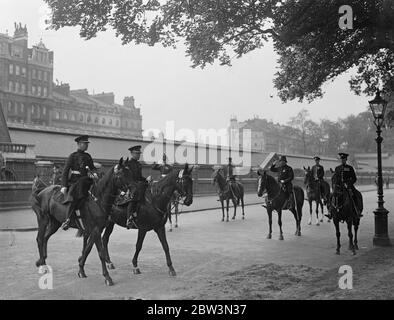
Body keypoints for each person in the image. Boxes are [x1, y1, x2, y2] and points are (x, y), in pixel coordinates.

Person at [60, 135, 97, 230]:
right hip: (75, 182)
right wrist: (63, 185)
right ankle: (67, 220)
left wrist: (94, 174)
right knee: (74, 198)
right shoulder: (72, 156)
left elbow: (92, 168)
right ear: (79, 144)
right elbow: (65, 171)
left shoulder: (88, 156)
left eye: (87, 144)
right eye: (85, 144)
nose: (86, 145)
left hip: (86, 181)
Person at [326, 152, 362, 219]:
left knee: (356, 194)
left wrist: (348, 184)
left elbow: (354, 178)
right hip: (339, 187)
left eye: (344, 159)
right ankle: (330, 211)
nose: (342, 160)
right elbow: (336, 178)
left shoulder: (350, 168)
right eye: (341, 159)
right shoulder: (337, 168)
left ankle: (357, 210)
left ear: (346, 160)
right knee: (331, 196)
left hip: (348, 186)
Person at [126, 145, 148, 229]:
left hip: (138, 184)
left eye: (139, 153)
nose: (138, 155)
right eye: (136, 153)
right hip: (130, 185)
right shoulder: (128, 163)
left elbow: (140, 177)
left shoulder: (139, 164)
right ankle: (128, 218)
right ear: (132, 153)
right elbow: (128, 177)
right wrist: (135, 183)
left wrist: (146, 180)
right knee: (134, 195)